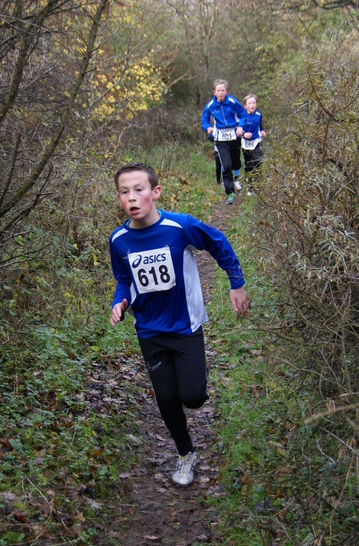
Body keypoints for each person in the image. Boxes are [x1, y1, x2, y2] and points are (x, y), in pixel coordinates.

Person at [109, 162, 248, 487]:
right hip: (150, 331)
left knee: (194, 395)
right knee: (167, 398)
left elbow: (218, 242)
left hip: (185, 327)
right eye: (124, 192)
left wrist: (236, 282)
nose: (132, 197)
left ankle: (194, 377)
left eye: (139, 189)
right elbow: (123, 279)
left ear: (155, 192)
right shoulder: (118, 240)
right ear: (119, 198)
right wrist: (121, 301)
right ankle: (186, 454)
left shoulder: (179, 227)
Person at [201, 79, 246, 205]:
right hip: (220, 138)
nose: (221, 93)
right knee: (226, 166)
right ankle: (230, 193)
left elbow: (243, 114)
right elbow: (204, 119)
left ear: (227, 91)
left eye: (223, 90)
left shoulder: (232, 102)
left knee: (236, 163)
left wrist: (241, 127)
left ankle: (236, 174)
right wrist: (207, 128)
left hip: (234, 135)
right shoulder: (210, 106)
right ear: (214, 92)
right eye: (218, 91)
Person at [236, 93, 266, 196]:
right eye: (250, 103)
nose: (252, 105)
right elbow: (239, 131)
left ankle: (258, 185)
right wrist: (244, 134)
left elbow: (260, 125)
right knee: (249, 166)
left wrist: (262, 131)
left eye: (254, 103)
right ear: (245, 106)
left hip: (256, 142)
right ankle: (249, 186)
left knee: (258, 162)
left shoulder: (258, 114)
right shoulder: (243, 117)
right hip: (246, 145)